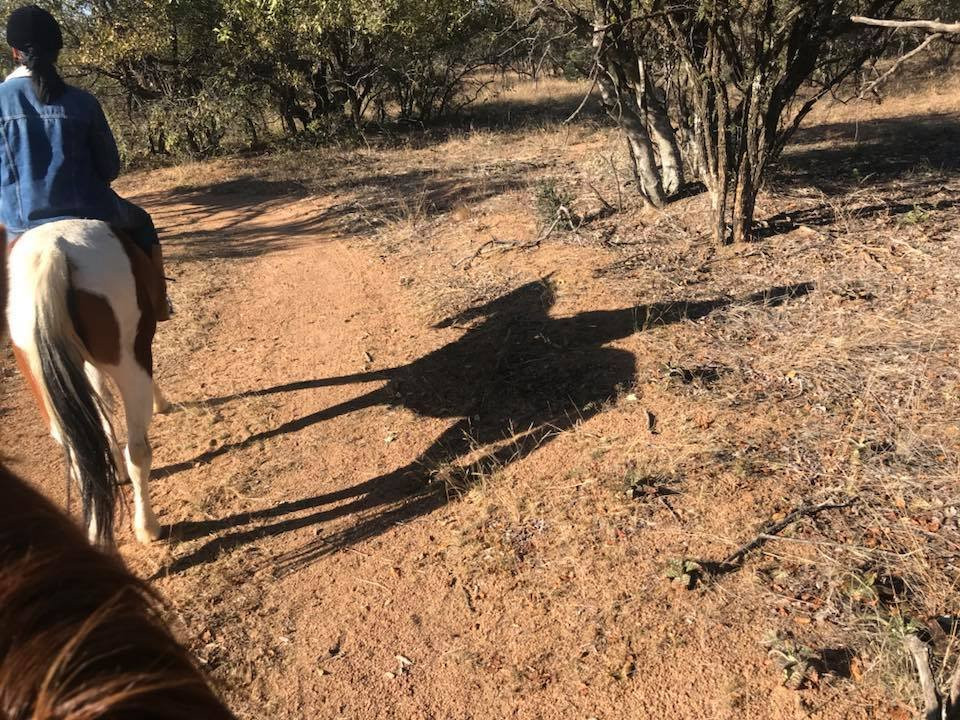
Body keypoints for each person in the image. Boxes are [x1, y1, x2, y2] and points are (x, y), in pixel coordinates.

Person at [0, 4, 170, 320]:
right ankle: (160, 303)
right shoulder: (83, 102)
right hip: (93, 213)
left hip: (16, 224)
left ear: (14, 51)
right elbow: (109, 168)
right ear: (57, 50)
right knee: (142, 221)